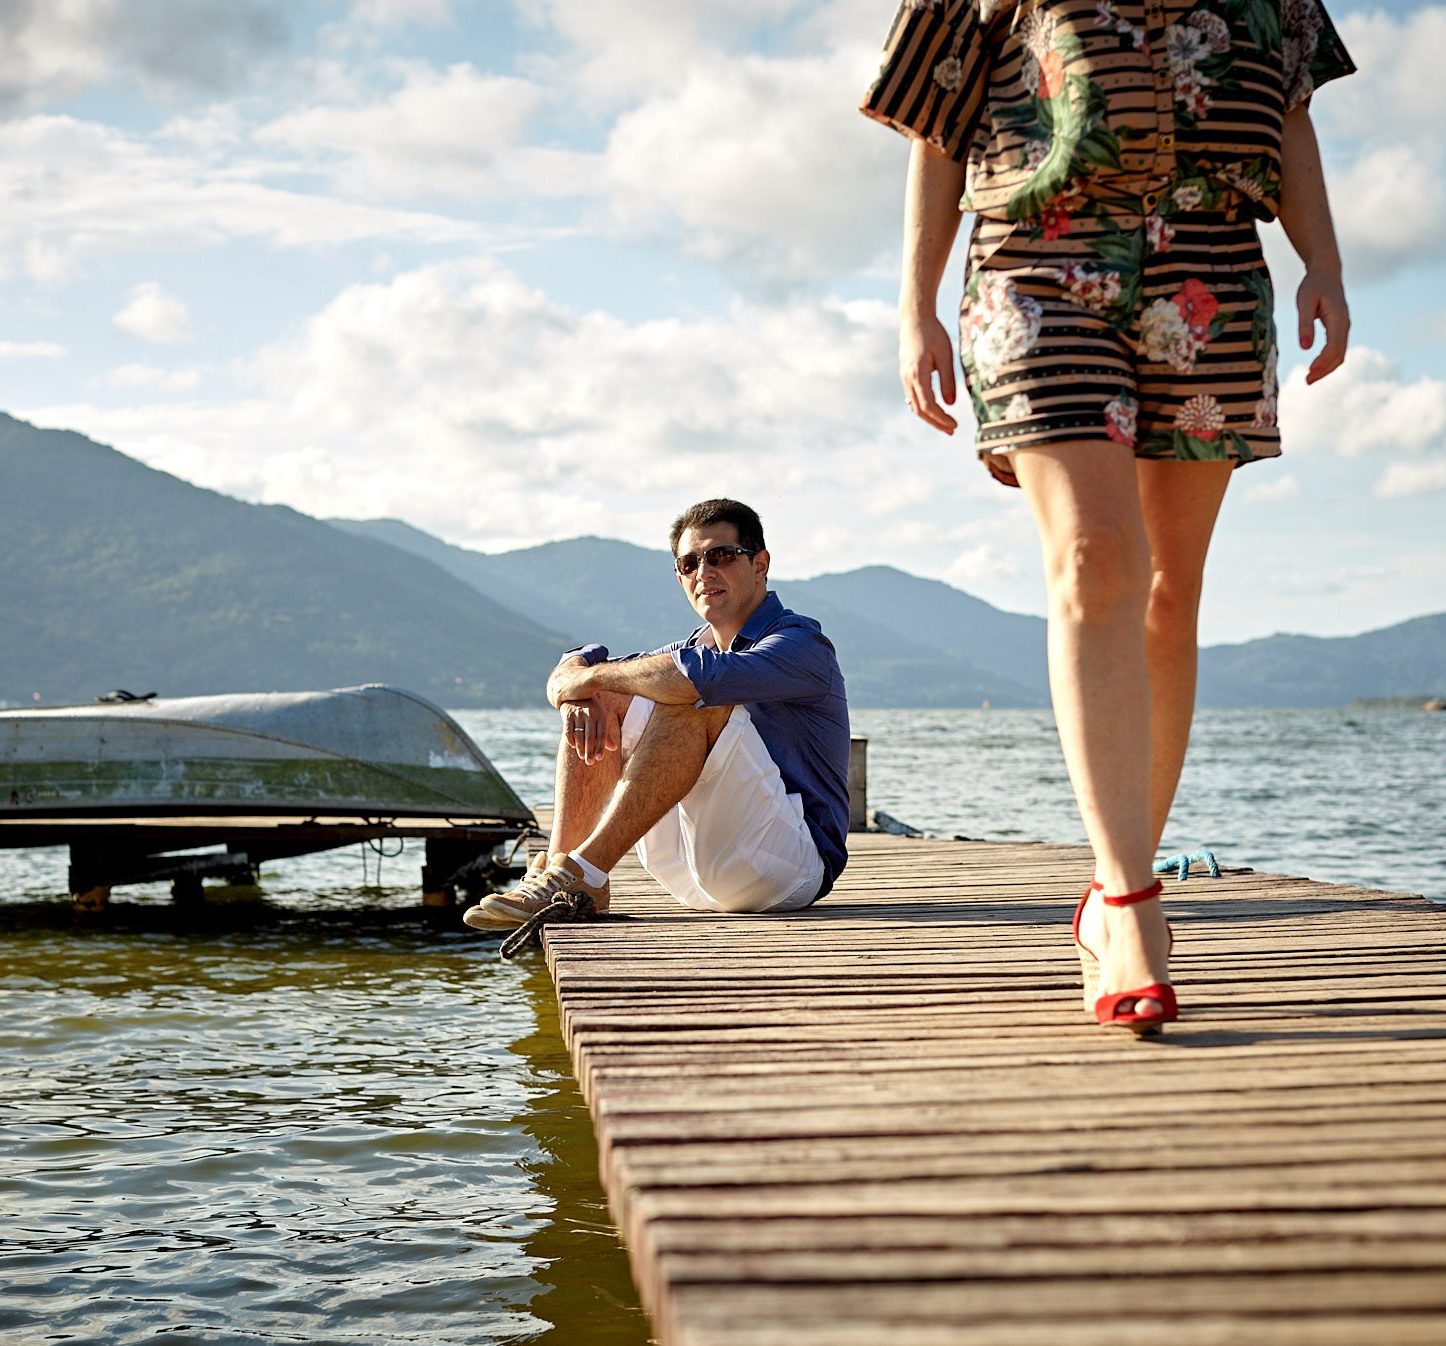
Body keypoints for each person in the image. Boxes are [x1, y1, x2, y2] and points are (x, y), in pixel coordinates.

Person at [859, 1, 1355, 1032]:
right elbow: (935, 122)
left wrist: (1326, 264)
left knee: (1167, 599)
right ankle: (1129, 904)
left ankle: (1107, 883)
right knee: (1092, 561)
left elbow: (1292, 112)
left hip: (1209, 265)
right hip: (1034, 260)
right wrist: (912, 311)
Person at [464, 498, 851, 930]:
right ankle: (559, 871)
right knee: (609, 696)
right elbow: (575, 669)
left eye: (720, 556)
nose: (703, 572)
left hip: (788, 870)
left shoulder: (800, 645)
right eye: (688, 564)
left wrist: (585, 680)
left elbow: (688, 679)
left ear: (760, 564)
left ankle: (584, 872)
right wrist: (579, 690)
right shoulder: (693, 650)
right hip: (687, 872)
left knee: (689, 694)